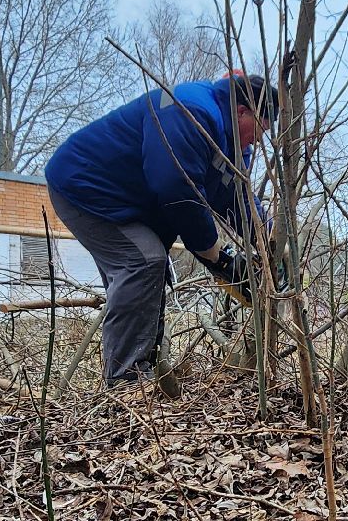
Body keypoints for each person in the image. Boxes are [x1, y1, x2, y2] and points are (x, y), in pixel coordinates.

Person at [45, 73, 277, 387]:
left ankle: (145, 371)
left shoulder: (233, 144)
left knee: (150, 272)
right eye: (261, 129)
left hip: (131, 205)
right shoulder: (191, 110)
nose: (259, 140)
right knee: (143, 262)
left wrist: (268, 239)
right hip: (87, 188)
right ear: (241, 111)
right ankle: (126, 382)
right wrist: (215, 255)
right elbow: (177, 188)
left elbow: (236, 196)